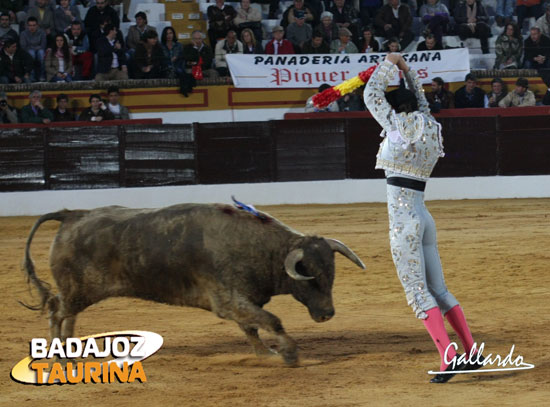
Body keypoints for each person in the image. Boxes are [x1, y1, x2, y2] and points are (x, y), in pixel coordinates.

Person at [364, 52, 484, 384]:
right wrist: (407, 69)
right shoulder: (430, 125)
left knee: (418, 293)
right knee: (439, 289)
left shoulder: (395, 126)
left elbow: (370, 94)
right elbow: (422, 101)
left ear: (395, 109)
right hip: (424, 217)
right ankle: (472, 352)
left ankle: (449, 359)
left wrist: (389, 63)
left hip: (404, 222)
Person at [20, 17, 47, 81]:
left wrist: (33, 47)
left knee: (41, 53)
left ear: (37, 25)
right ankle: (32, 75)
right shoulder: (23, 34)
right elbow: (23, 47)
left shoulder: (42, 33)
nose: (32, 27)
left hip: (39, 50)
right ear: (27, 26)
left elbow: (43, 45)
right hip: (28, 51)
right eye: (30, 25)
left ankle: (42, 75)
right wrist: (35, 48)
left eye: (34, 25)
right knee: (31, 53)